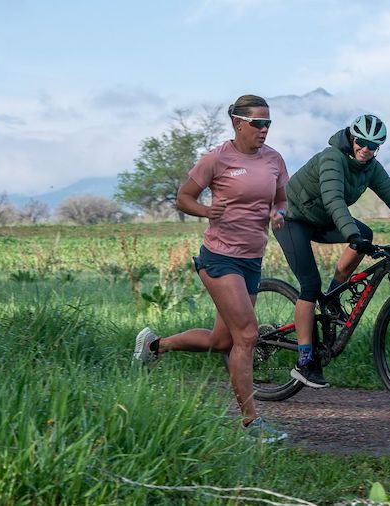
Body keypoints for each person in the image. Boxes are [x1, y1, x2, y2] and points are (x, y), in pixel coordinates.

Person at [132, 94, 290, 443]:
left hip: (252, 259)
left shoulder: (274, 160)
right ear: (237, 122)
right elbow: (184, 197)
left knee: (223, 341)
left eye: (268, 124)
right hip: (219, 258)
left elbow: (281, 198)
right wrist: (206, 212)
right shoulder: (218, 159)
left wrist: (278, 213)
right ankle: (252, 423)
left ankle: (156, 345)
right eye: (257, 124)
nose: (264, 130)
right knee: (247, 335)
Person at [273, 114, 390, 388]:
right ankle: (305, 361)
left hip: (322, 220)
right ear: (352, 138)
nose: (366, 149)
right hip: (292, 220)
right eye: (361, 142)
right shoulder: (332, 158)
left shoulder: (370, 167)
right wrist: (350, 234)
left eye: (373, 146)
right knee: (310, 285)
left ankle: (333, 297)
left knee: (366, 235)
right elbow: (334, 199)